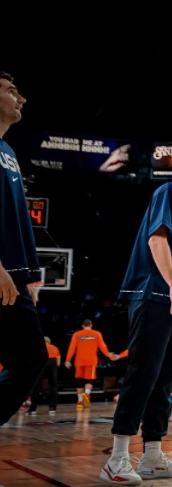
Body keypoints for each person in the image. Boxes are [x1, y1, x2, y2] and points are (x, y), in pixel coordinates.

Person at [101, 143, 172, 484]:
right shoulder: (170, 191)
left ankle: (152, 456)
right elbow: (157, 240)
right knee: (143, 374)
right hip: (155, 295)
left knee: (165, 382)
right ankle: (117, 458)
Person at [0, 72, 49, 426]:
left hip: (15, 280)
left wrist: (30, 276)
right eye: (11, 91)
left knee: (31, 361)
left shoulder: (8, 151)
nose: (22, 99)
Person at [65, 319, 118, 409]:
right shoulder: (96, 334)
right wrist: (108, 355)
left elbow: (72, 348)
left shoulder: (77, 334)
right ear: (91, 325)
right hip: (91, 361)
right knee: (89, 380)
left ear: (82, 326)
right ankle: (87, 394)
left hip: (79, 361)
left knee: (80, 381)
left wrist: (67, 360)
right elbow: (102, 346)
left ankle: (80, 402)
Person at [26, 336, 62, 416]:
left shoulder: (38, 346)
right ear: (49, 342)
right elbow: (58, 362)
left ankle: (33, 409)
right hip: (53, 363)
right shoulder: (55, 347)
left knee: (36, 386)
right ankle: (52, 408)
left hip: (42, 362)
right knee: (53, 386)